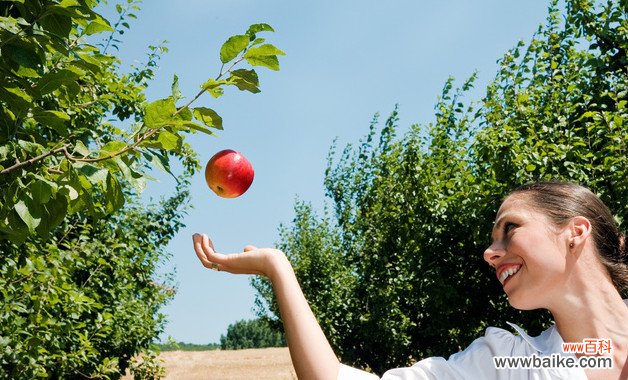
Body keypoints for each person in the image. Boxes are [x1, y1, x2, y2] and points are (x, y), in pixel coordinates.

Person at [192, 181, 628, 379]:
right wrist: (277, 267)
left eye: (509, 228)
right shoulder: (510, 361)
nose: (490, 252)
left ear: (575, 232)